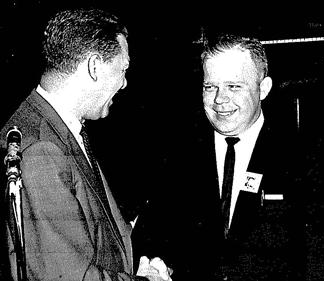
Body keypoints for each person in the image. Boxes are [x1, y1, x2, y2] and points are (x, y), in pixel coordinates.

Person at [0, 8, 168, 281]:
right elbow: (66, 277)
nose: (125, 84)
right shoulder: (42, 150)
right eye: (122, 69)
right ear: (93, 67)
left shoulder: (58, 127)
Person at [132, 33, 303, 281]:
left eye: (234, 86)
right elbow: (150, 237)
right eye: (210, 86)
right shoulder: (177, 157)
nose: (220, 99)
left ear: (263, 88)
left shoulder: (302, 157)